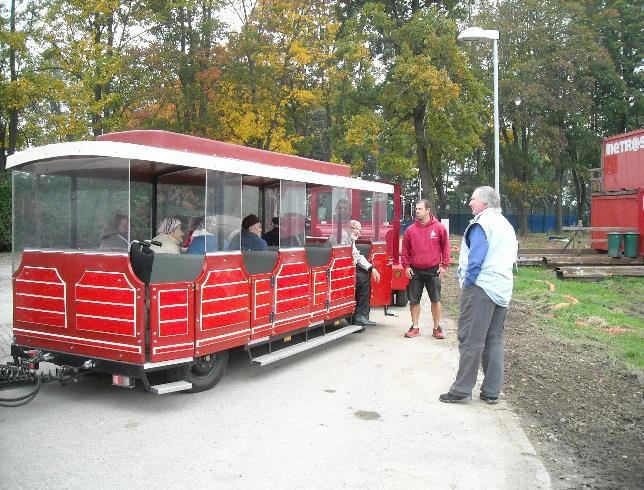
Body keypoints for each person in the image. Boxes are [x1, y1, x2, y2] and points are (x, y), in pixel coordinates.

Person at [439, 186, 518, 404]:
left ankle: (462, 389)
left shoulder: (482, 223)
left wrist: (468, 283)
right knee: (494, 339)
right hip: (502, 288)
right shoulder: (506, 225)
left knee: (470, 339)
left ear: (483, 202)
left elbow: (476, 259)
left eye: (472, 199)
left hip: (481, 288)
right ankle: (491, 391)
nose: (470, 203)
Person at [401, 199, 450, 339]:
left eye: (420, 209)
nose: (417, 211)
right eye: (416, 209)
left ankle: (437, 328)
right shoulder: (410, 230)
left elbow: (446, 248)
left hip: (433, 270)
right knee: (414, 300)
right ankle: (415, 327)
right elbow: (405, 251)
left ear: (428, 210)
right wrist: (406, 266)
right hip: (414, 271)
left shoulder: (439, 228)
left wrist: (444, 265)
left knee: (436, 299)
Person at [348, 220, 381, 327]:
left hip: (345, 269)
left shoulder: (350, 240)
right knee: (363, 279)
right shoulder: (344, 238)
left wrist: (372, 268)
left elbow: (357, 256)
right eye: (355, 228)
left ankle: (361, 315)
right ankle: (360, 316)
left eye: (359, 230)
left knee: (364, 275)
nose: (358, 232)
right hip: (339, 271)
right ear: (349, 228)